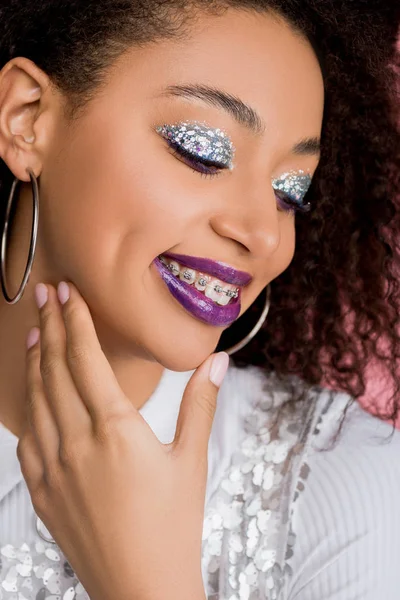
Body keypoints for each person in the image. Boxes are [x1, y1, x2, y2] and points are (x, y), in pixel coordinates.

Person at [0, 1, 399, 599]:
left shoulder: (341, 479)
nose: (263, 234)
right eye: (202, 150)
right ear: (27, 117)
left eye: (290, 191)